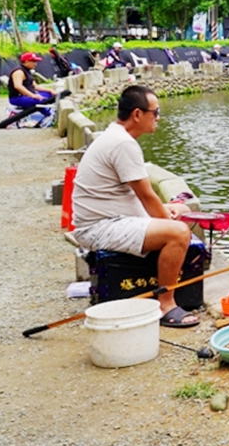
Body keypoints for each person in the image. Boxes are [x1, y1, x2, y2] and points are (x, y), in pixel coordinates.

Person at [70, 85, 199, 328]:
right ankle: (166, 304)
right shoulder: (123, 144)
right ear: (137, 114)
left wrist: (169, 211)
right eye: (155, 112)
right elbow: (147, 196)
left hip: (110, 219)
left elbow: (136, 198)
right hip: (99, 228)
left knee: (182, 209)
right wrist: (168, 222)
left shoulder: (116, 136)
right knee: (179, 233)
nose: (158, 118)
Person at [2, 52, 58, 126]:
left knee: (50, 95)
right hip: (18, 97)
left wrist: (50, 90)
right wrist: (33, 95)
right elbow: (18, 86)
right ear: (26, 61)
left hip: (29, 95)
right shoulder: (19, 72)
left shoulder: (28, 71)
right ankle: (49, 115)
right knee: (40, 100)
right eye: (33, 61)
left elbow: (35, 86)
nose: (35, 64)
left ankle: (51, 114)